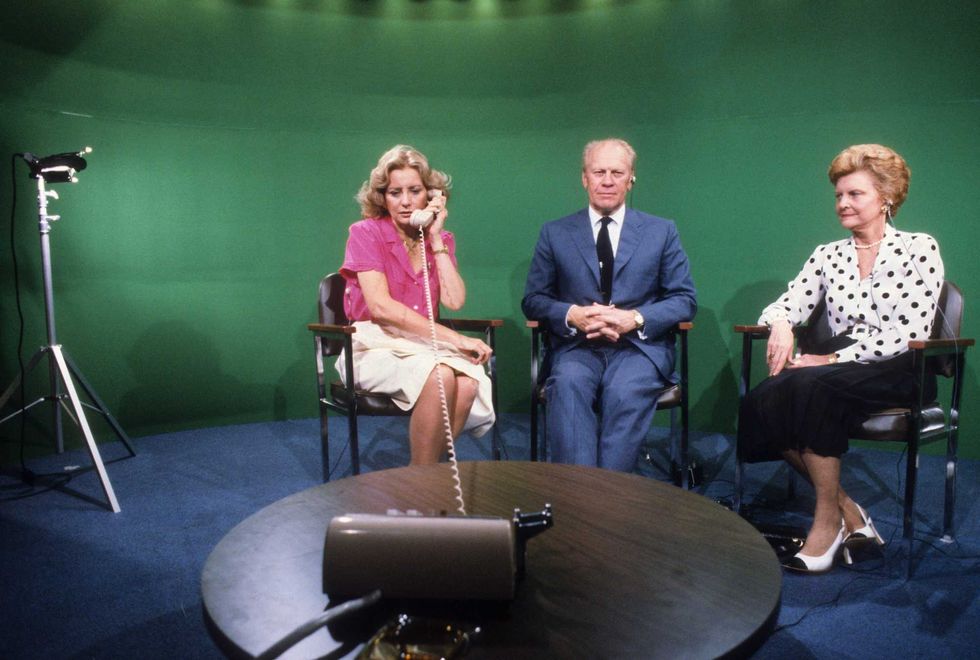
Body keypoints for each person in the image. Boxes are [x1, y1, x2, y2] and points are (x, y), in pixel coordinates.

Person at [738, 143, 945, 573]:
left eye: (855, 194)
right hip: (837, 362)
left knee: (812, 386)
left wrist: (830, 361)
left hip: (898, 365)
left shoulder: (918, 248)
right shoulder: (827, 254)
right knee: (765, 398)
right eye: (839, 196)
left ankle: (826, 523)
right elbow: (784, 305)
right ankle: (848, 512)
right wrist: (780, 324)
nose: (843, 204)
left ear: (886, 198)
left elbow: (909, 333)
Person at [522, 138, 697, 471]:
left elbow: (684, 300)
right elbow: (533, 300)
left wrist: (635, 318)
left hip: (637, 350)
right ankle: (581, 498)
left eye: (617, 172)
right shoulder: (555, 233)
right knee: (568, 384)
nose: (607, 180)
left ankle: (610, 501)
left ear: (631, 179)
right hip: (576, 348)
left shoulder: (661, 232)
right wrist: (571, 314)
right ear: (584, 178)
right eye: (598, 171)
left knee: (624, 390)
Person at [337, 145, 494, 465]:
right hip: (370, 343)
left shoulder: (440, 239)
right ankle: (421, 479)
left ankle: (426, 475)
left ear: (432, 196)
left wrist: (435, 239)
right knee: (441, 375)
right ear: (382, 197)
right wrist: (457, 340)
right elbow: (381, 309)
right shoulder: (365, 233)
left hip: (420, 343)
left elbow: (454, 301)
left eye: (415, 191)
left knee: (467, 384)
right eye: (395, 192)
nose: (406, 201)